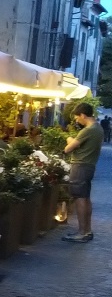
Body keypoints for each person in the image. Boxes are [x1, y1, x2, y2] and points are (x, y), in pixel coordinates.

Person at [62, 102, 103, 243]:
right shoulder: (98, 128)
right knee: (85, 197)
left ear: (83, 115)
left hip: (80, 166)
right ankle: (87, 230)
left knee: (79, 198)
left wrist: (69, 139)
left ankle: (81, 232)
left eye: (77, 117)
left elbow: (68, 149)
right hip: (89, 166)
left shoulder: (88, 130)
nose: (77, 120)